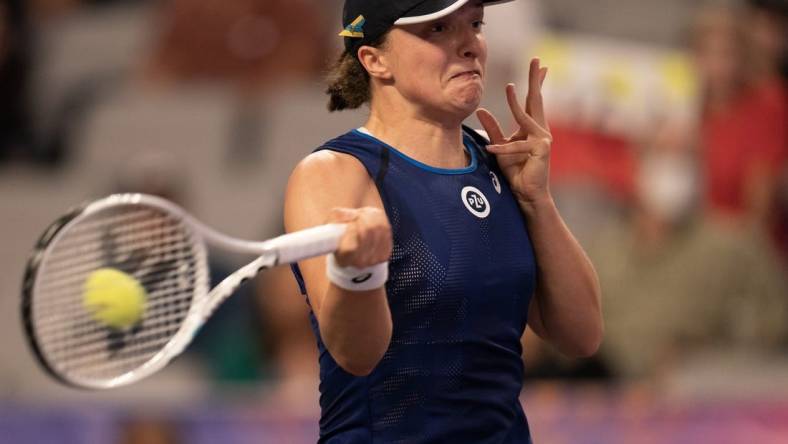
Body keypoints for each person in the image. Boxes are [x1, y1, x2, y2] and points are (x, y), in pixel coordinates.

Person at [283, 1, 603, 442]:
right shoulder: (333, 175)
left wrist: (536, 200)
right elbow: (356, 356)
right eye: (437, 28)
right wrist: (360, 271)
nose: (470, 43)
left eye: (475, 24)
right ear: (375, 60)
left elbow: (582, 336)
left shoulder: (499, 166)